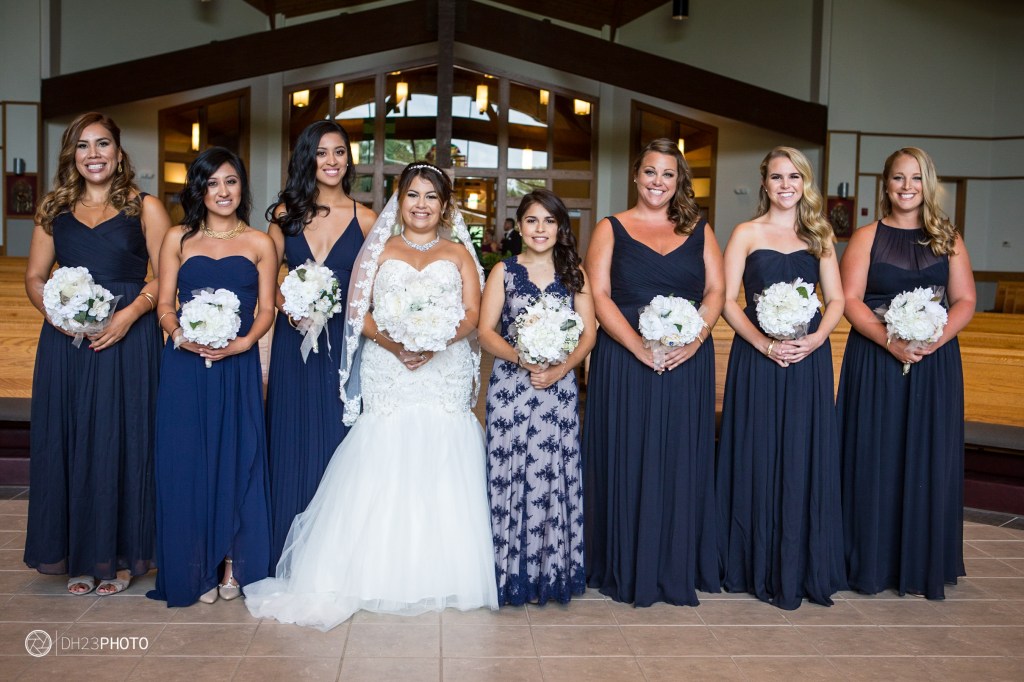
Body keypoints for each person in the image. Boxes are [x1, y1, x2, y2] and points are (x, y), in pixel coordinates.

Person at [244, 162, 498, 630]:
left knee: (442, 452)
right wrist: (397, 342)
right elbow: (356, 312)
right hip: (390, 365)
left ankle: (440, 572)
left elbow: (472, 315)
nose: (421, 205)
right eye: (412, 195)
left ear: (444, 207)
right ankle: (374, 570)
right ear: (398, 202)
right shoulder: (378, 248)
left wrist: (434, 341)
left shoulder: (459, 253)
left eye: (430, 197)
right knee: (385, 451)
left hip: (442, 368)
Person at [23, 112, 170, 596]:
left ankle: (126, 557)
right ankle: (81, 557)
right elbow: (35, 277)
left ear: (119, 152)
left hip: (129, 339)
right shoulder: (52, 209)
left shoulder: (144, 207)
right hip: (67, 344)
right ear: (73, 156)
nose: (94, 154)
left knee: (126, 438)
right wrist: (59, 316)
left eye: (102, 144)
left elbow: (168, 275)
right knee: (74, 437)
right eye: (83, 146)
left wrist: (129, 315)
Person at [582, 138, 724, 606]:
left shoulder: (700, 230)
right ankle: (623, 561)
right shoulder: (610, 228)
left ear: (679, 180)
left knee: (680, 458)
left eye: (667, 174)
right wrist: (637, 345)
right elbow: (599, 296)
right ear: (636, 175)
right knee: (629, 454)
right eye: (649, 172)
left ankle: (675, 562)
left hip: (687, 361)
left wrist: (695, 339)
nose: (657, 182)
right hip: (625, 361)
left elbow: (717, 293)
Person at [837, 147, 975, 599]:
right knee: (873, 455)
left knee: (926, 458)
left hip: (934, 365)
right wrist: (889, 340)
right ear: (886, 184)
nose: (907, 187)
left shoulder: (948, 238)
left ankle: (920, 562)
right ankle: (867, 561)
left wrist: (933, 340)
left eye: (916, 178)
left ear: (927, 183)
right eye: (898, 178)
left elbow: (965, 301)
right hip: (876, 361)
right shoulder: (865, 236)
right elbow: (851, 300)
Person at [716, 147, 846, 609]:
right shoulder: (746, 233)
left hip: (808, 360)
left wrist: (813, 341)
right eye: (777, 177)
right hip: (758, 359)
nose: (786, 184)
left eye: (794, 176)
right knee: (757, 450)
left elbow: (836, 301)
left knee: (801, 455)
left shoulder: (820, 236)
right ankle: (752, 563)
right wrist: (764, 344)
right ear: (764, 183)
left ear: (804, 182)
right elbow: (729, 300)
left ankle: (800, 562)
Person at [148, 147, 277, 607]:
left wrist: (244, 344)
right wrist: (181, 334)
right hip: (185, 366)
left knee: (236, 458)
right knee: (188, 461)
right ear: (199, 189)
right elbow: (164, 304)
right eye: (212, 183)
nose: (222, 191)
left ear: (242, 186)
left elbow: (267, 309)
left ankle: (231, 565)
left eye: (231, 181)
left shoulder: (261, 242)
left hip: (237, 366)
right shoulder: (178, 239)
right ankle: (193, 565)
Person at [264, 121, 375, 566]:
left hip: (343, 352)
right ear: (308, 157)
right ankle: (281, 551)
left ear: (349, 160)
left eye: (340, 152)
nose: (332, 161)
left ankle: (332, 557)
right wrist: (288, 306)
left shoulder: (366, 219)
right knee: (290, 437)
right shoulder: (284, 214)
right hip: (294, 347)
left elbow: (374, 289)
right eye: (323, 152)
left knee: (337, 439)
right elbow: (267, 278)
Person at [479, 189, 596, 605]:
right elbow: (486, 332)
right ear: (519, 226)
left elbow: (589, 333)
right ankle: (507, 573)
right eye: (532, 220)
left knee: (552, 472)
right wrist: (524, 359)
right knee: (509, 470)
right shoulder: (504, 273)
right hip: (512, 387)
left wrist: (561, 369)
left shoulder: (575, 273)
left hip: (559, 390)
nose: (540, 229)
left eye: (549, 221)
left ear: (561, 227)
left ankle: (551, 571)